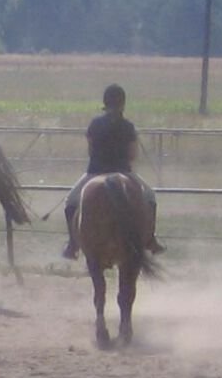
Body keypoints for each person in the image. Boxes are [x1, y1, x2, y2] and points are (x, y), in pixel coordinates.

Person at [62, 83, 164, 259]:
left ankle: (72, 244)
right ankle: (151, 240)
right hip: (124, 172)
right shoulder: (128, 126)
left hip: (95, 172)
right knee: (150, 198)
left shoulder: (95, 124)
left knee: (70, 202)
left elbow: (90, 151)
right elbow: (132, 155)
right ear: (123, 103)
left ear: (105, 103)